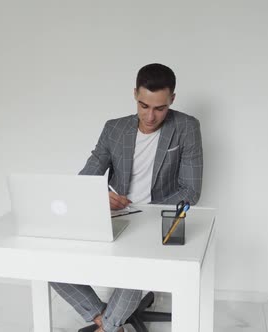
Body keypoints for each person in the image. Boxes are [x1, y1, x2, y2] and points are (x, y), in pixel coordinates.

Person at [50, 63, 203, 332]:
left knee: (142, 262)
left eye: (160, 108)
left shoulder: (187, 127)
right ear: (135, 94)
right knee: (49, 260)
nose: (151, 116)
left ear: (172, 100)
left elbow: (191, 191)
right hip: (114, 216)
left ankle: (107, 327)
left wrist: (146, 213)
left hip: (159, 220)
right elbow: (86, 178)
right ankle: (106, 320)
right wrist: (99, 196)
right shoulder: (114, 129)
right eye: (144, 106)